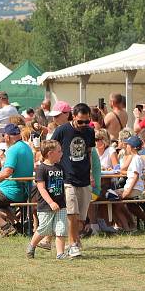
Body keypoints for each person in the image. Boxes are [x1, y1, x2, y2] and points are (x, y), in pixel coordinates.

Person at [51, 103, 96, 258]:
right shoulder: (62, 130)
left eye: (86, 121)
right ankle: (72, 244)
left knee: (81, 218)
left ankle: (75, 240)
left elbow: (89, 153)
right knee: (72, 214)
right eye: (80, 121)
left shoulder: (90, 131)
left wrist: (90, 174)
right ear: (73, 116)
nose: (84, 125)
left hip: (84, 178)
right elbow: (50, 148)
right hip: (67, 177)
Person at [26, 140, 68, 259]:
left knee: (61, 228)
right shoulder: (41, 169)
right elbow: (41, 188)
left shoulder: (60, 167)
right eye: (59, 151)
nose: (61, 153)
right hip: (46, 206)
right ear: (50, 153)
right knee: (45, 229)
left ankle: (60, 253)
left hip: (61, 205)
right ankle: (32, 245)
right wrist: (51, 202)